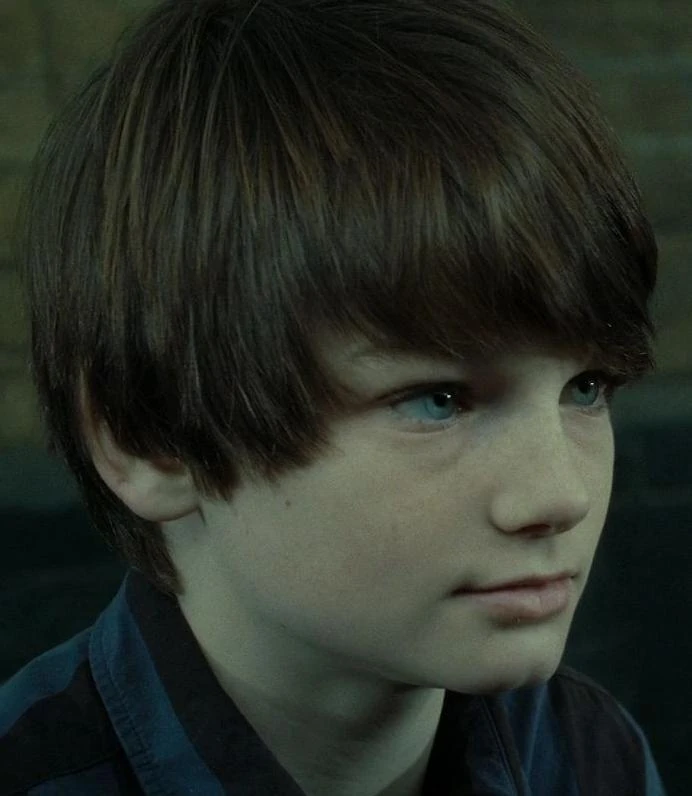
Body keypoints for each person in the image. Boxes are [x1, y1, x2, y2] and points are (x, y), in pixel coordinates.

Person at [0, 0, 667, 793]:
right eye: (438, 400)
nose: (561, 496)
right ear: (150, 439)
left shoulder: (591, 758)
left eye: (586, 388)